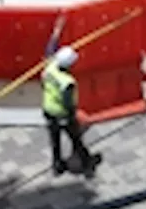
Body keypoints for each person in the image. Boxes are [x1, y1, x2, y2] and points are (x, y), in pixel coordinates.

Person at [41, 46, 101, 176]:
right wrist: (72, 114)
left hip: (48, 109)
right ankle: (87, 165)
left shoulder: (50, 67)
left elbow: (49, 51)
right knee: (76, 139)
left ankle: (57, 166)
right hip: (62, 113)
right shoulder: (67, 82)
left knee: (55, 139)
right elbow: (68, 102)